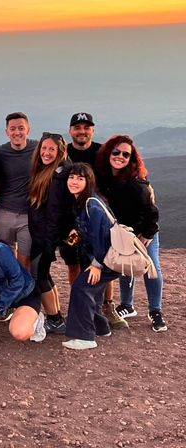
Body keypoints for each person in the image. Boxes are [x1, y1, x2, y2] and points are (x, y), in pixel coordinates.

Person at [95, 135, 167, 332]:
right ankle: (127, 305)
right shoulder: (104, 177)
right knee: (125, 266)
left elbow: (152, 211)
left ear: (131, 158)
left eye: (125, 154)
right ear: (108, 153)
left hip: (142, 231)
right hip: (121, 232)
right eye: (116, 152)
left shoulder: (135, 181)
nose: (120, 157)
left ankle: (155, 311)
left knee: (151, 267)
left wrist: (148, 234)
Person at [63, 163, 122, 350]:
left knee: (81, 288)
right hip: (105, 259)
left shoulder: (92, 205)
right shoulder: (83, 202)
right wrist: (73, 237)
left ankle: (85, 337)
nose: (74, 181)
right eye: (72, 177)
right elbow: (88, 232)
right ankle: (101, 328)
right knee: (93, 292)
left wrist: (97, 264)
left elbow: (101, 238)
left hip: (106, 261)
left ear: (89, 182)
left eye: (80, 178)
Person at [27, 132, 72, 334]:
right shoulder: (48, 171)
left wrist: (49, 243)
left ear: (60, 151)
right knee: (44, 275)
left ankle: (54, 319)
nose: (46, 152)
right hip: (43, 235)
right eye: (43, 148)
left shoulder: (58, 176)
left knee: (38, 275)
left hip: (45, 236)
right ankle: (57, 316)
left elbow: (55, 214)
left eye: (51, 149)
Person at [0, 112, 39, 269]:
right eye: (12, 129)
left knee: (24, 260)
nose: (17, 132)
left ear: (28, 130)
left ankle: (23, 292)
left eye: (21, 128)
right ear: (7, 132)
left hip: (28, 215)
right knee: (6, 258)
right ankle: (11, 291)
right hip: (4, 213)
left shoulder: (38, 148)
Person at [62, 112, 101, 286]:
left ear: (92, 130)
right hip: (69, 218)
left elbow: (124, 167)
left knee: (100, 261)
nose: (82, 131)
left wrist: (145, 183)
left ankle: (107, 304)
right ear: (70, 131)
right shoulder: (63, 154)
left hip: (94, 217)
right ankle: (77, 302)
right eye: (77, 128)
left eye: (86, 128)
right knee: (73, 262)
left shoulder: (102, 152)